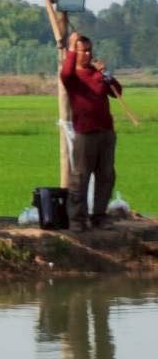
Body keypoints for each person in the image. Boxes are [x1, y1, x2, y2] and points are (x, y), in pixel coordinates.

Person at [61, 31, 122, 231]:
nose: (87, 54)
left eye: (89, 51)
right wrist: (70, 48)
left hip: (106, 131)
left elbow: (117, 92)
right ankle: (77, 220)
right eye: (83, 51)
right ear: (75, 53)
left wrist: (107, 75)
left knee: (106, 175)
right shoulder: (73, 78)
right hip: (85, 134)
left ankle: (99, 216)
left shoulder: (98, 74)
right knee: (80, 176)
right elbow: (66, 73)